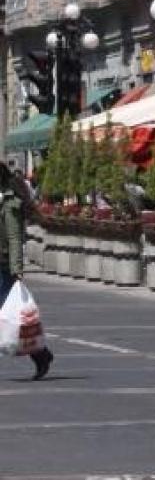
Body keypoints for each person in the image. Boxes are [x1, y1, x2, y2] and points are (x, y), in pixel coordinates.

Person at [0, 161, 52, 380]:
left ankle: (40, 354)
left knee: (12, 317)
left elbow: (13, 238)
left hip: (3, 266)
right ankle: (41, 354)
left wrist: (17, 269)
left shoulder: (10, 202)